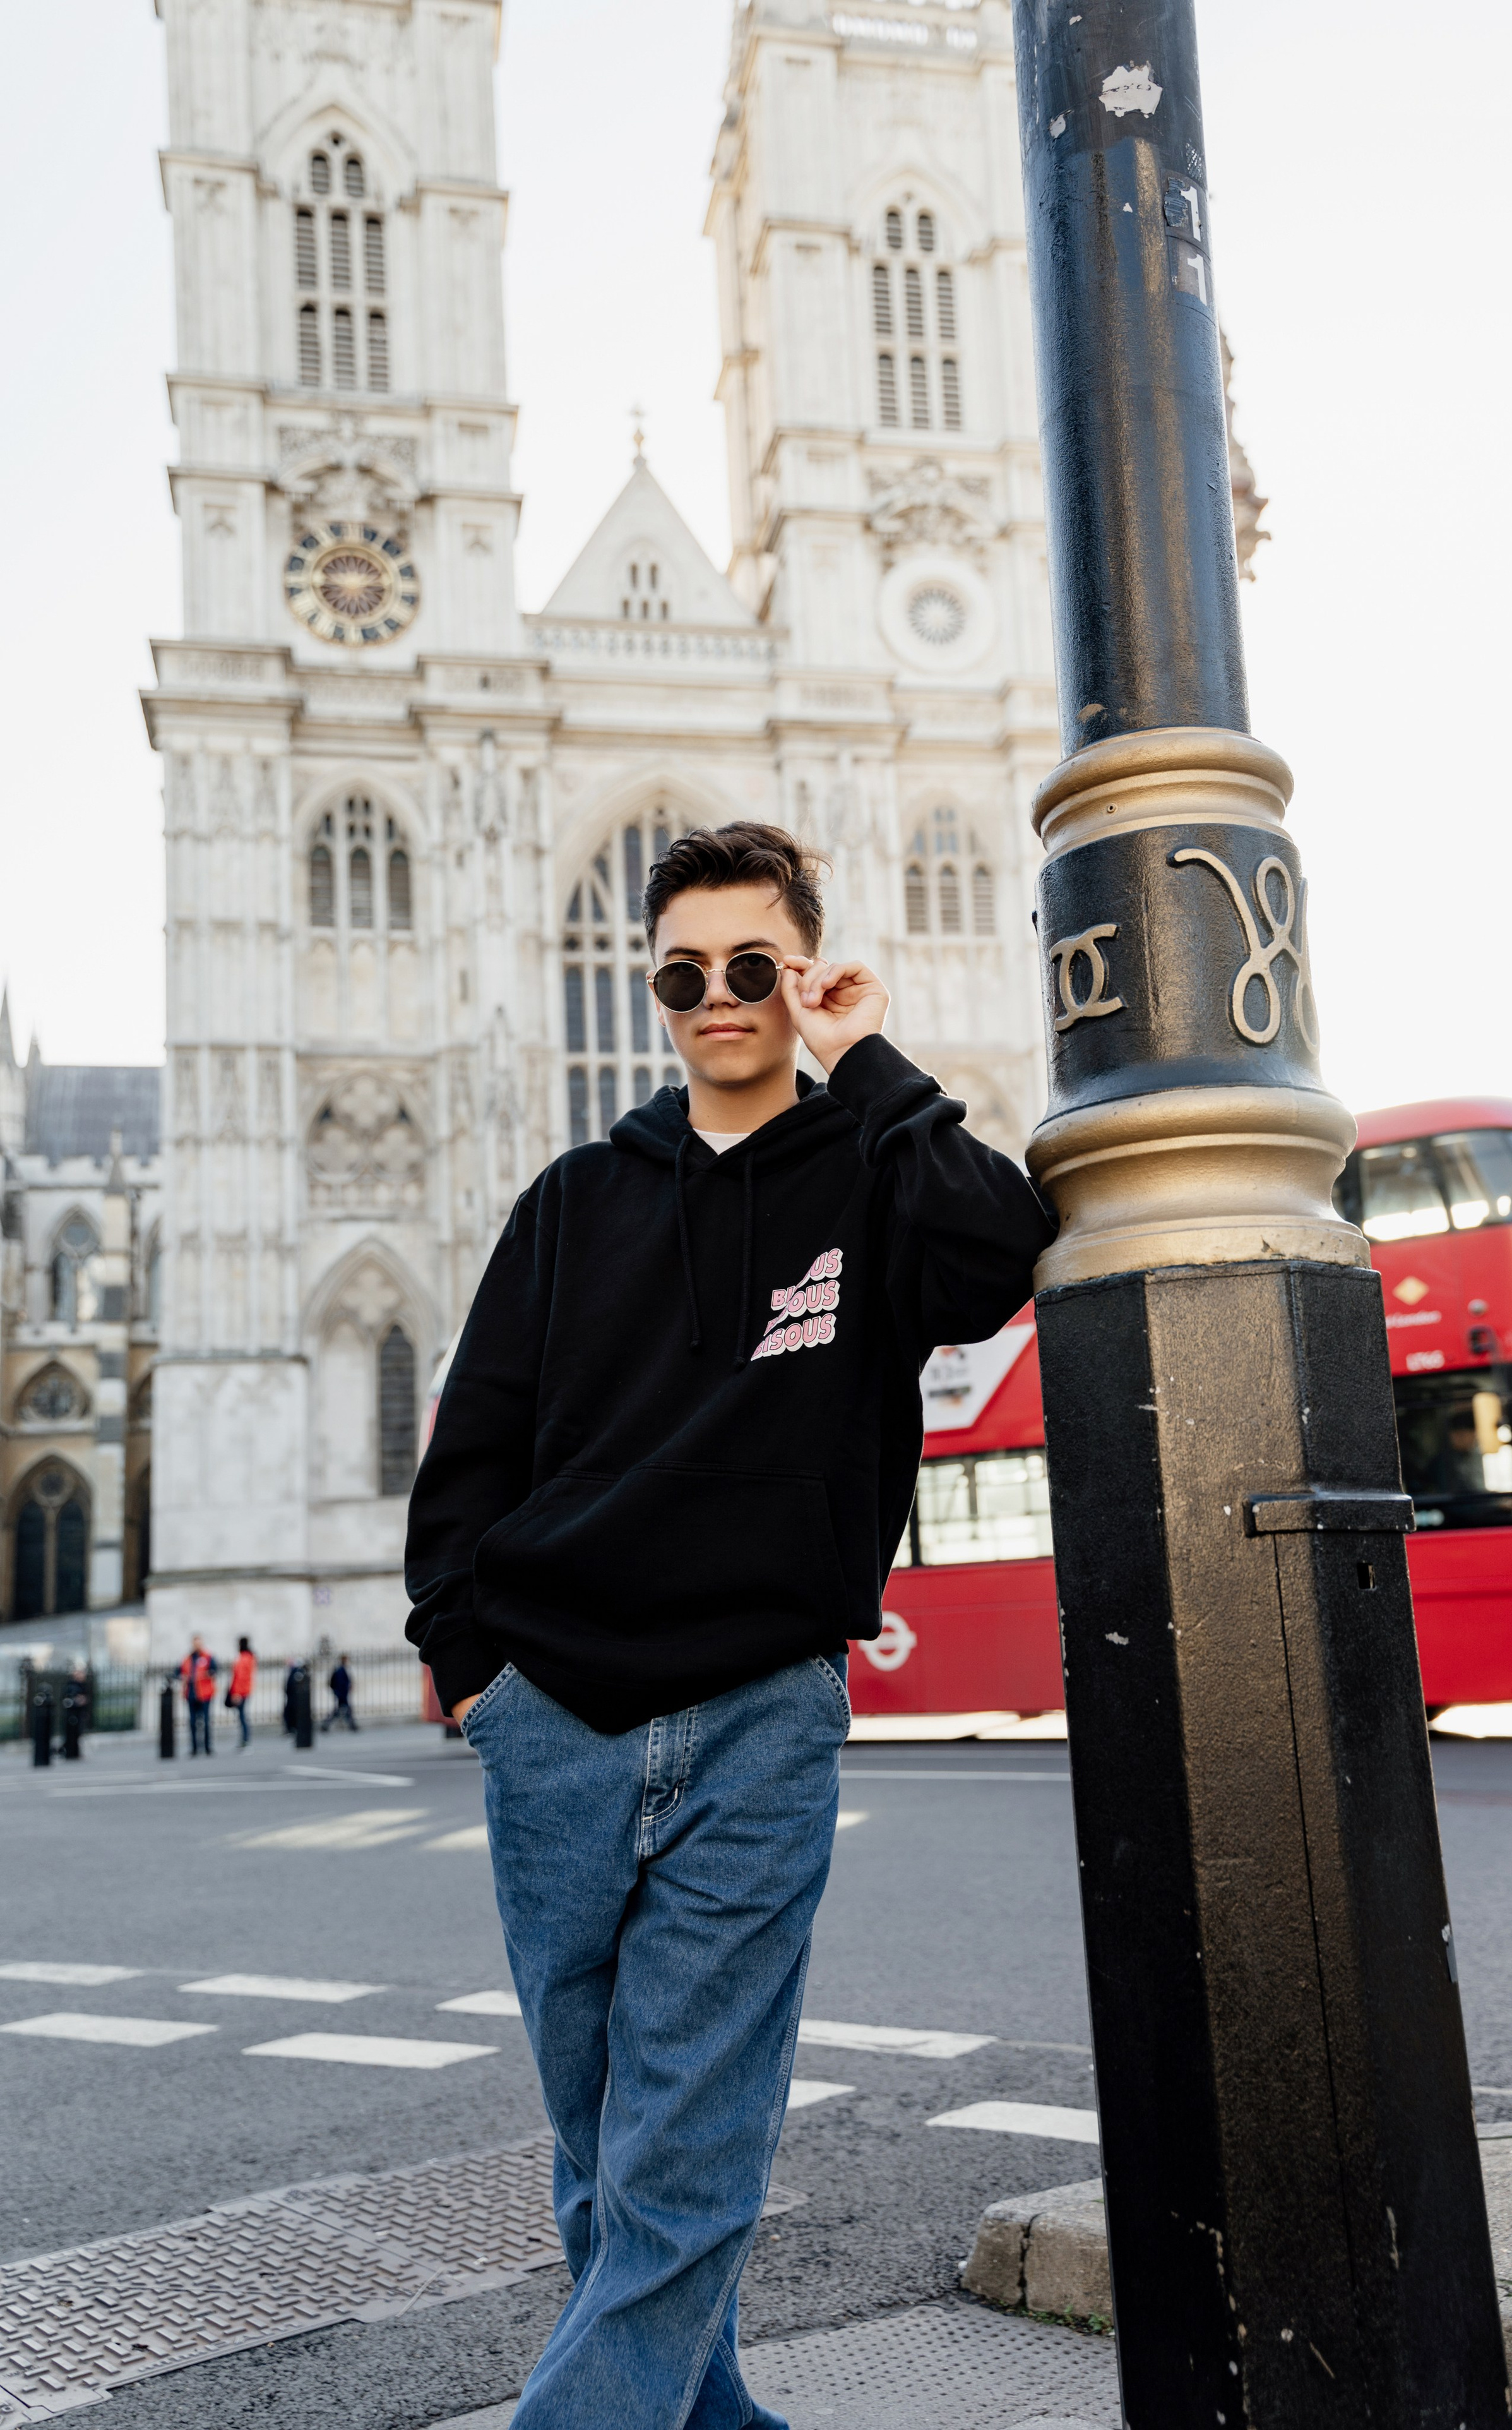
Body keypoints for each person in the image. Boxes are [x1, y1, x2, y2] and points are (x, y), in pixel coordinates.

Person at [405, 822, 1054, 2429]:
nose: (716, 997)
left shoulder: (872, 1173)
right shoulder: (573, 1197)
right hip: (549, 1712)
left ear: (801, 971)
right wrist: (470, 1659)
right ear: (653, 988)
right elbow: (471, 1436)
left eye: (751, 967)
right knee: (601, 2128)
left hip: (759, 1710)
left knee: (683, 2130)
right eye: (683, 972)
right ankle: (701, 2413)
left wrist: (868, 1055)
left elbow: (1000, 1253)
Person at [178, 1635, 217, 1757]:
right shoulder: (188, 1659)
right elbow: (178, 1672)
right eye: (195, 1643)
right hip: (191, 1694)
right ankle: (194, 1748)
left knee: (206, 1722)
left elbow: (215, 1670)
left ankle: (207, 1747)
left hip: (205, 1695)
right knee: (193, 1722)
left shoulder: (208, 1657)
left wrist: (207, 1674)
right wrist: (182, 1678)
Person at [226, 1636, 255, 1749]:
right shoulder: (249, 1657)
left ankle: (245, 1740)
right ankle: (245, 1739)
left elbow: (241, 1677)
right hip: (244, 1691)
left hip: (241, 1692)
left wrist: (236, 1693)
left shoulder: (244, 1658)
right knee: (243, 1716)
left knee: (242, 1717)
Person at [60, 1661, 92, 1759]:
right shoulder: (72, 1686)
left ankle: (73, 1751)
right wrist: (77, 1701)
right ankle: (67, 1751)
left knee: (78, 1733)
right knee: (73, 1734)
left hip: (79, 1713)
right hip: (73, 1714)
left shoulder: (83, 1686)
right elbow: (66, 1700)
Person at [321, 1655, 357, 1732]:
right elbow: (341, 1684)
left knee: (340, 1711)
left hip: (342, 1694)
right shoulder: (340, 1670)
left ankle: (326, 1725)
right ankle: (352, 1726)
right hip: (342, 1695)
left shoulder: (341, 1670)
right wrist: (342, 1692)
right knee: (343, 1711)